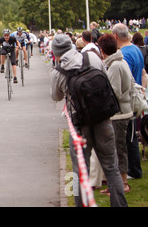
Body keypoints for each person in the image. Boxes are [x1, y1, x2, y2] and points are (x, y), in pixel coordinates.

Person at [50, 34, 128, 207]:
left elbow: (56, 96)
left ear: (55, 53)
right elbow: (105, 79)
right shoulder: (92, 57)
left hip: (79, 125)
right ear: (71, 46)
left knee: (80, 173)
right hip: (103, 119)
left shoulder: (58, 72)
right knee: (111, 168)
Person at [98, 33, 133, 193]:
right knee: (115, 149)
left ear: (103, 50)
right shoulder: (118, 63)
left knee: (118, 149)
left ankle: (123, 183)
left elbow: (114, 92)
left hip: (119, 114)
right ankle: (116, 182)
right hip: (120, 112)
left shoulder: (115, 66)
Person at [112, 23, 144, 179]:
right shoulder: (136, 49)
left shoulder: (124, 54)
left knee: (128, 139)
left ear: (116, 36)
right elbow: (142, 73)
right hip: (135, 97)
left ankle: (133, 170)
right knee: (131, 136)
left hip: (128, 100)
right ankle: (134, 169)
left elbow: (125, 79)